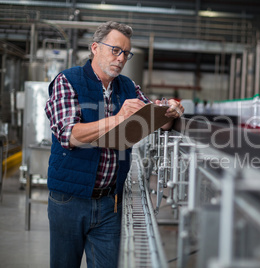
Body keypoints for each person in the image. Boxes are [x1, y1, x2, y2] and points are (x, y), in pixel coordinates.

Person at [44, 21, 184, 268]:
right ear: (95, 48)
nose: (121, 58)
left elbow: (156, 121)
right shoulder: (68, 80)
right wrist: (119, 118)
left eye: (126, 54)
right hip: (69, 201)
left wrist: (170, 112)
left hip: (110, 202)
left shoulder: (128, 87)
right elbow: (69, 135)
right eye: (115, 50)